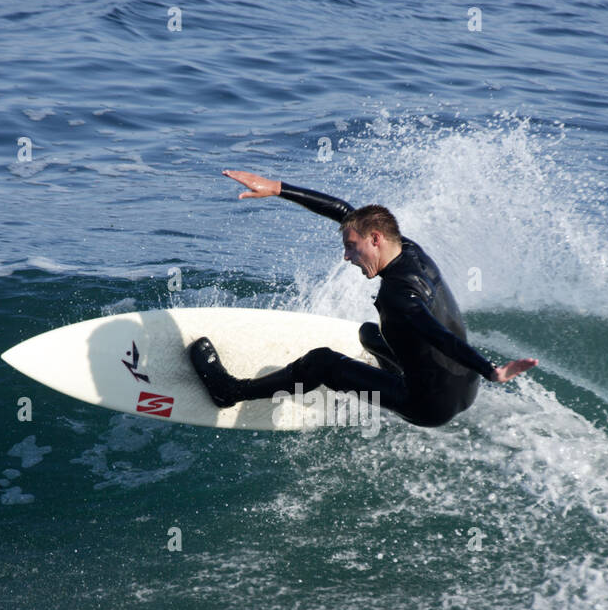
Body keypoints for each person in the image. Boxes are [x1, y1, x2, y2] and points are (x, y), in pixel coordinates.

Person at [188, 170, 538, 428]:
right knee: (370, 335)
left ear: (374, 239)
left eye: (351, 248)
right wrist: (277, 189)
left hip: (428, 406)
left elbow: (440, 337)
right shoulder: (410, 250)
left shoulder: (399, 296)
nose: (346, 257)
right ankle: (384, 373)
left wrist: (491, 370)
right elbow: (344, 211)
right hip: (462, 389)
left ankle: (230, 391)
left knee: (323, 363)